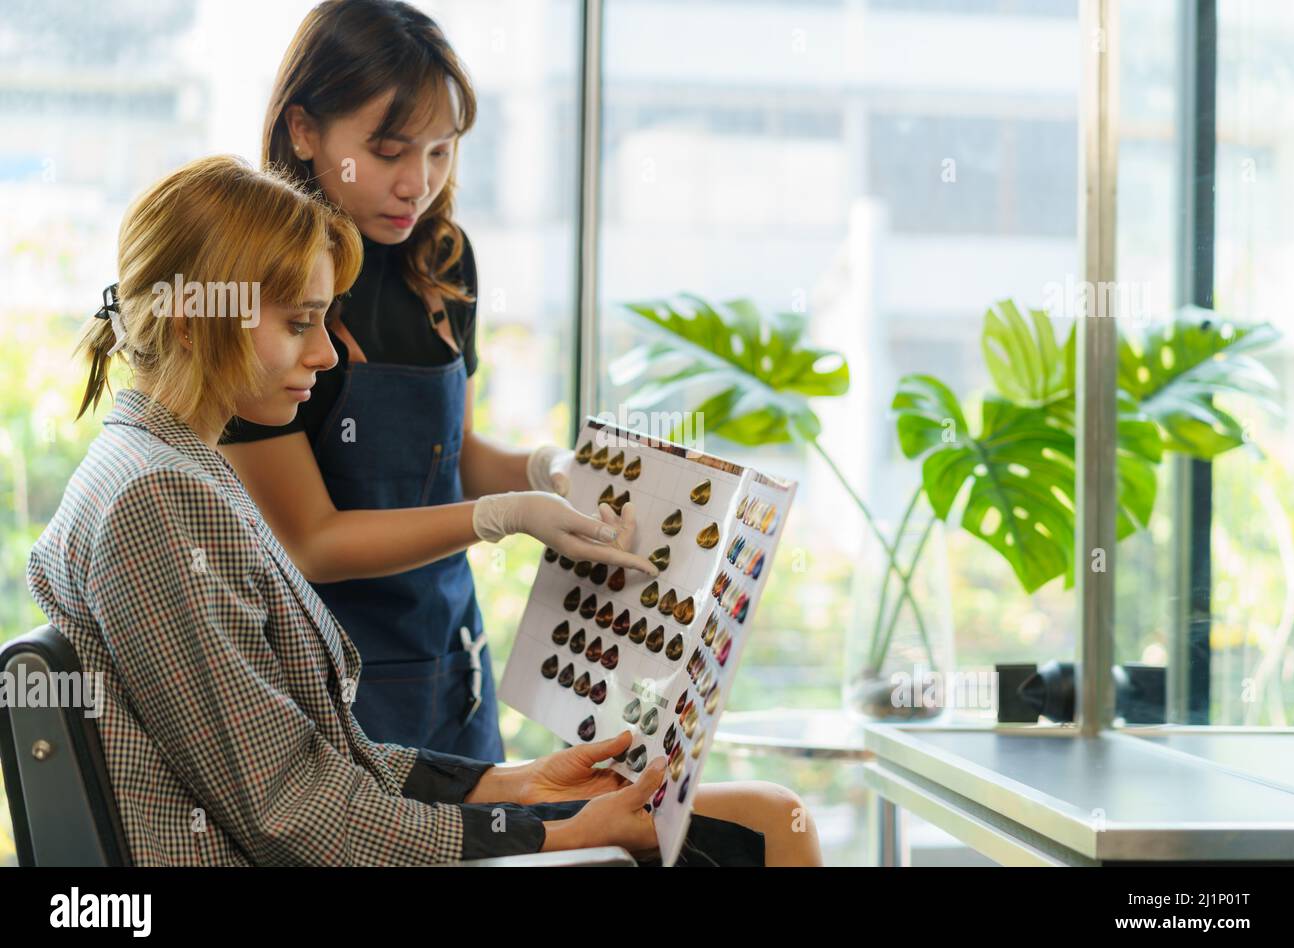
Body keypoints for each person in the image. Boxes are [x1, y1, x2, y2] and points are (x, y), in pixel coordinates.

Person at [27, 154, 822, 865]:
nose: (327, 354)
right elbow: (291, 811)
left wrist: (515, 781)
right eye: (300, 323)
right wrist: (561, 830)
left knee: (758, 817)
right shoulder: (158, 501)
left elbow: (320, 763)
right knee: (770, 825)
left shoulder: (167, 470)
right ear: (192, 323)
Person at [218, 0, 651, 761]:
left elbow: (449, 457)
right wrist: (500, 516)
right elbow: (310, 541)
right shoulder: (260, 287)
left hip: (450, 662)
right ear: (304, 129)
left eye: (442, 152)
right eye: (389, 152)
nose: (418, 183)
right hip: (323, 684)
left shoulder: (442, 259)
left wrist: (548, 471)